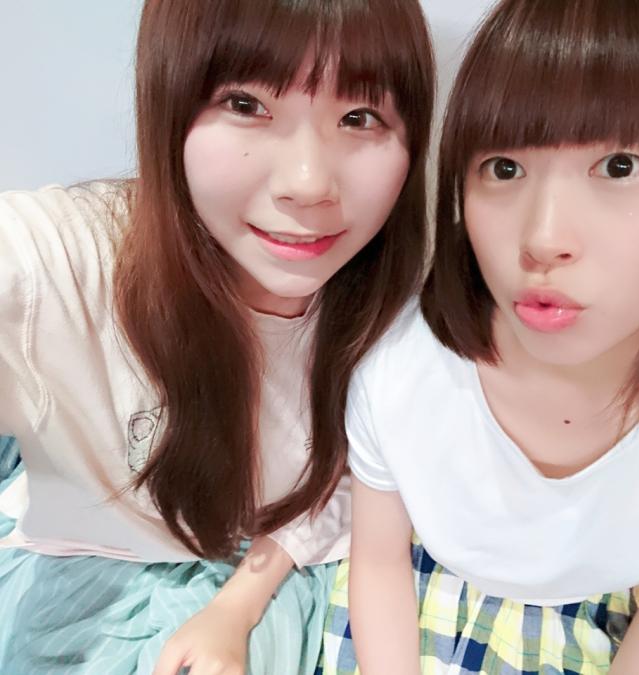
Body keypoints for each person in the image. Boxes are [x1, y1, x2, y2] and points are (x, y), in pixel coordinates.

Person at [321, 0, 639, 673]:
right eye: (504, 168)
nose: (542, 238)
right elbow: (379, 560)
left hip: (603, 611)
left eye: (620, 166)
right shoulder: (397, 367)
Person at [0, 1, 434, 673]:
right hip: (71, 564)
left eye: (358, 117)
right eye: (245, 103)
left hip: (266, 573)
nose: (307, 185)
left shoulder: (392, 314)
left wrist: (239, 605)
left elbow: (357, 476)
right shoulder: (73, 261)